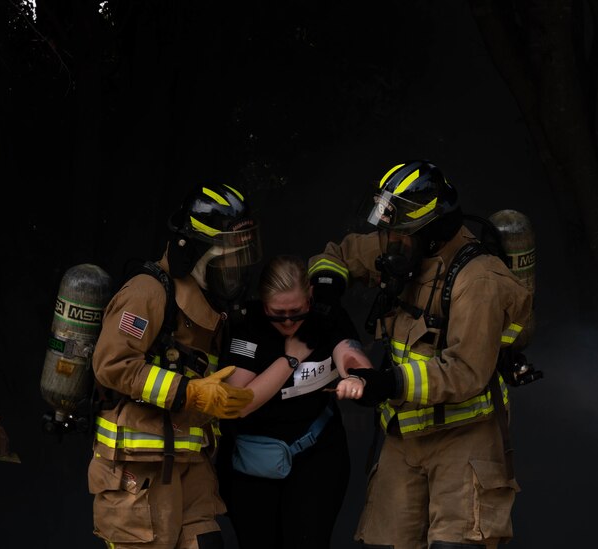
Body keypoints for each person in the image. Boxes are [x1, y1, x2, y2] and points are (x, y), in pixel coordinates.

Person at [308, 160, 533, 549]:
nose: (388, 239)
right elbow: (338, 253)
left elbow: (466, 371)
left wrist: (388, 382)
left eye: (399, 232)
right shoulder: (402, 243)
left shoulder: (478, 279)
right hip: (403, 437)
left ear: (431, 231)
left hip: (464, 442)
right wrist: (327, 285)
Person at [88, 182, 262, 549]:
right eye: (227, 259)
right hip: (140, 472)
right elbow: (111, 364)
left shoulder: (212, 308)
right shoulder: (148, 292)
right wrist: (189, 392)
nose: (235, 270)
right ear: (193, 252)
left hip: (190, 464)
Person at [217, 254, 373, 549]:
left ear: (310, 297)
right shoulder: (250, 326)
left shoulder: (325, 317)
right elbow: (237, 403)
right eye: (278, 313)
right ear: (263, 304)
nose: (288, 321)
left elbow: (349, 353)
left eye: (296, 312)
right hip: (254, 461)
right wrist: (291, 358)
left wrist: (358, 377)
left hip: (316, 452)